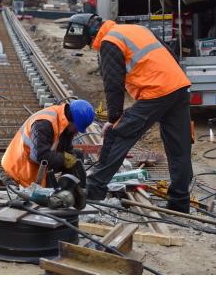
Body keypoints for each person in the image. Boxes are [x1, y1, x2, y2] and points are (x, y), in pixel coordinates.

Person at [64, 13, 193, 213]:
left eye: (88, 44)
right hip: (179, 87)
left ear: (90, 35)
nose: (90, 47)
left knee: (116, 135)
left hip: (156, 91)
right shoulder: (135, 29)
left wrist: (114, 119)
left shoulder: (110, 41)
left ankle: (94, 189)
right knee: (179, 150)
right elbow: (170, 54)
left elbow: (113, 85)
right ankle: (179, 203)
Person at [2, 100, 95, 187]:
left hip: (34, 168)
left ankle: (69, 190)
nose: (76, 132)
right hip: (19, 171)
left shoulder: (64, 124)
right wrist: (64, 159)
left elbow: (66, 150)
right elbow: (40, 156)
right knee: (67, 159)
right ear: (71, 120)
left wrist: (71, 158)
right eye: (77, 128)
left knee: (76, 156)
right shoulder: (44, 124)